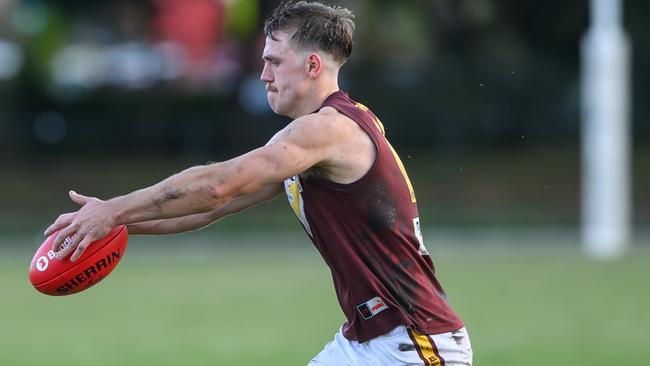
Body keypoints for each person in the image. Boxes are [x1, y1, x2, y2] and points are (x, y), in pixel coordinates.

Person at [45, 1, 473, 365]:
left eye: (273, 62)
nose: (264, 75)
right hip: (369, 341)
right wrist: (107, 226)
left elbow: (218, 185)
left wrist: (115, 209)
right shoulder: (314, 139)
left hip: (412, 344)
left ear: (312, 65)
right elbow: (208, 208)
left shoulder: (329, 130)